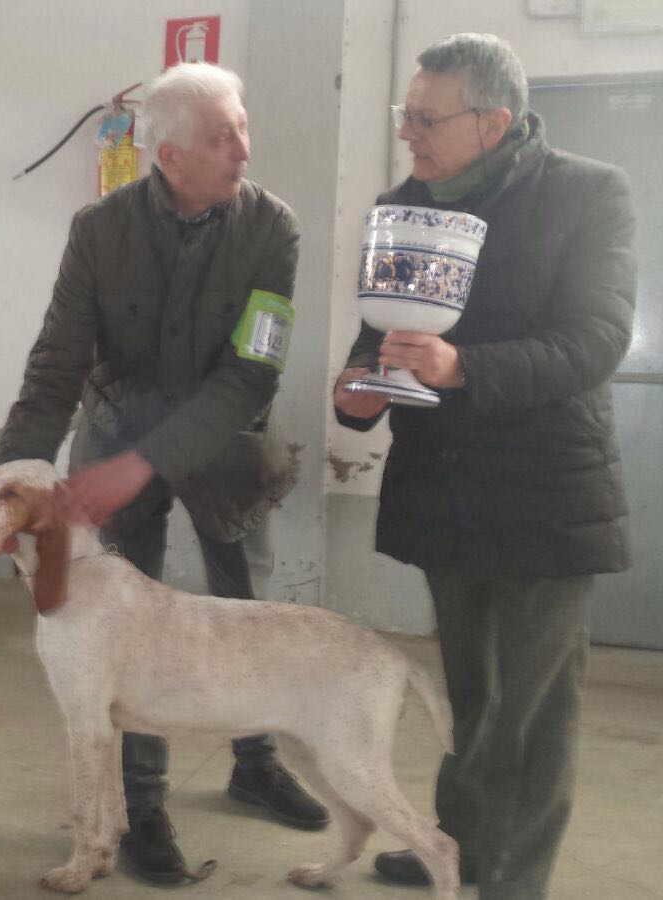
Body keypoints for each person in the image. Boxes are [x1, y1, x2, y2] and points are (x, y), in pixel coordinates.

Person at [0, 62, 328, 885]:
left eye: (242, 127)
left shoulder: (273, 228)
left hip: (227, 443)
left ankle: (255, 763)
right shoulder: (98, 231)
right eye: (222, 138)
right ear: (168, 156)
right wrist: (5, 486)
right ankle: (139, 806)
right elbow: (56, 365)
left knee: (245, 611)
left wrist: (149, 461)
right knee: (118, 633)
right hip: (114, 442)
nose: (243, 150)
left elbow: (252, 372)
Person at [334, 34, 635, 898]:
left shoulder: (586, 194)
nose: (408, 133)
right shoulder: (404, 205)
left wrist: (464, 368)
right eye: (406, 114)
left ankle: (512, 883)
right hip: (448, 492)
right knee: (470, 694)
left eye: (427, 119)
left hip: (549, 498)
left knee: (531, 714)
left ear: (493, 122)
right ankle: (457, 847)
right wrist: (359, 389)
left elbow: (596, 340)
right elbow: (378, 335)